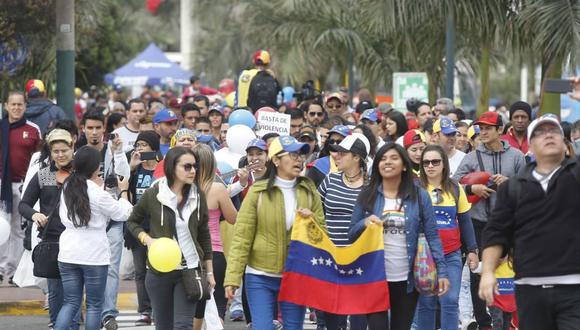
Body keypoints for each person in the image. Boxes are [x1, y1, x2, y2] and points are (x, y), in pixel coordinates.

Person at [479, 114, 580, 330]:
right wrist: (488, 272)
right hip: (529, 288)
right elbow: (496, 233)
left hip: (574, 288)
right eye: (540, 132)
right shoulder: (513, 188)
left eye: (553, 131)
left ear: (565, 144)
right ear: (530, 145)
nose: (548, 136)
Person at [224, 136, 325, 330]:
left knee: (293, 327)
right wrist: (232, 278)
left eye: (300, 155)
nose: (299, 159)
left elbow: (322, 233)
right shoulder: (258, 192)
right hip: (259, 276)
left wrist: (312, 221)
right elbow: (242, 237)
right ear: (276, 160)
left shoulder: (308, 189)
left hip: (295, 275)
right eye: (293, 155)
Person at [349, 143, 449, 330]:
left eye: (394, 158)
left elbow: (432, 235)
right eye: (383, 159)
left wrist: (442, 272)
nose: (387, 162)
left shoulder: (419, 196)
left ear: (404, 165)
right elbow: (351, 235)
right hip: (374, 277)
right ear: (377, 164)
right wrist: (364, 223)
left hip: (407, 280)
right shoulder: (367, 195)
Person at [127, 147, 215, 330]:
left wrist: (209, 272)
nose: (193, 171)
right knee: (164, 326)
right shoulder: (154, 194)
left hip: (189, 270)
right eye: (187, 166)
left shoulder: (197, 195)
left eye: (195, 166)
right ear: (172, 168)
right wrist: (147, 240)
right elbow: (132, 222)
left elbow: (204, 234)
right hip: (159, 272)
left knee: (183, 326)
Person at [452, 111, 525, 330]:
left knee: (508, 271)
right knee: (478, 273)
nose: (482, 132)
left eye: (488, 128)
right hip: (479, 223)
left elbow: (529, 188)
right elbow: (452, 186)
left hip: (508, 224)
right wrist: (472, 188)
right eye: (480, 128)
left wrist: (510, 183)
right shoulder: (472, 157)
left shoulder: (516, 156)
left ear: (500, 130)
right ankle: (485, 323)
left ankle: (506, 322)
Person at [54, 146, 133, 330]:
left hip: (68, 252)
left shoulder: (67, 185)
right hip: (94, 254)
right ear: (95, 167)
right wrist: (123, 192)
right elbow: (123, 213)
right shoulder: (97, 193)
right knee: (94, 305)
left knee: (70, 302)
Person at [19, 129, 78, 329]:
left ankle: (72, 325)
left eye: (64, 150)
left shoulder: (80, 174)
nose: (60, 155)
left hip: (78, 239)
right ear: (50, 153)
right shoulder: (45, 175)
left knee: (75, 290)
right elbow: (24, 204)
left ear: (72, 149)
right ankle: (57, 324)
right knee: (55, 290)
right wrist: (34, 214)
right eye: (56, 151)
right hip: (52, 240)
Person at [416, 144, 478, 330]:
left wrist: (473, 250)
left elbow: (465, 221)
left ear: (444, 164)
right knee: (426, 303)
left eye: (435, 161)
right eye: (426, 162)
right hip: (423, 256)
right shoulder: (415, 188)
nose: (430, 166)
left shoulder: (455, 187)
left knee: (450, 300)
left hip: (451, 254)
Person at [317, 134, 370, 330]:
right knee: (331, 314)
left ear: (356, 157)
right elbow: (315, 208)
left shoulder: (371, 185)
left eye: (342, 153)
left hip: (359, 260)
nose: (336, 156)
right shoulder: (330, 179)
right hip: (330, 257)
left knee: (357, 314)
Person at [192, 144, 237, 329]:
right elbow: (234, 218)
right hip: (215, 253)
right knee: (218, 308)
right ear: (212, 165)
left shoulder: (182, 189)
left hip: (190, 254)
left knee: (195, 310)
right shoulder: (218, 189)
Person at [0, 91, 42, 285]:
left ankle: (12, 270)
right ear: (6, 106)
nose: (16, 108)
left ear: (25, 106)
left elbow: (42, 160)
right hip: (1, 185)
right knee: (1, 228)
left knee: (17, 230)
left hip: (24, 187)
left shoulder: (33, 130)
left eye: (20, 104)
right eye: (12, 104)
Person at [125, 131, 160, 326]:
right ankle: (145, 310)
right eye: (138, 145)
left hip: (158, 227)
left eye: (144, 145)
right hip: (138, 228)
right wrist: (131, 169)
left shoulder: (161, 170)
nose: (140, 149)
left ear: (153, 148)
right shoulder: (134, 171)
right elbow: (125, 196)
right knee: (141, 272)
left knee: (158, 270)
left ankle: (158, 308)